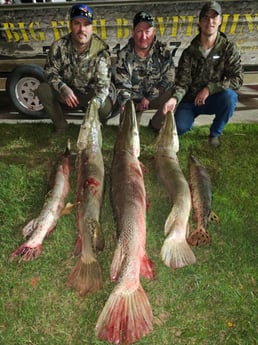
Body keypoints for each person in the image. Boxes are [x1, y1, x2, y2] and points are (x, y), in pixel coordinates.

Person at [163, 1, 243, 147]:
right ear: (200, 22)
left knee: (230, 97)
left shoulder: (228, 49)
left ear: (220, 21)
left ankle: (215, 133)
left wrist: (209, 89)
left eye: (214, 17)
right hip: (190, 101)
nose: (210, 22)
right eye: (206, 17)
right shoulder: (189, 53)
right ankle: (186, 119)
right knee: (179, 128)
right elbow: (183, 83)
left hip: (214, 98)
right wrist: (174, 98)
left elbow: (237, 79)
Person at [37, 3, 112, 133]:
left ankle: (94, 125)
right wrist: (63, 87)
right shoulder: (59, 46)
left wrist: (95, 103)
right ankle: (61, 126)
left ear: (92, 27)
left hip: (90, 96)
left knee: (105, 106)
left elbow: (103, 86)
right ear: (70, 25)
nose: (82, 29)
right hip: (67, 95)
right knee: (43, 90)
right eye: (77, 23)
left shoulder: (101, 52)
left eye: (86, 24)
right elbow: (50, 71)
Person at [115, 11, 175, 130]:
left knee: (173, 97)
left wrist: (148, 97)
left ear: (153, 32)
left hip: (154, 96)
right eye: (139, 31)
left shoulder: (163, 51)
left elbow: (169, 78)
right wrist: (126, 103)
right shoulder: (124, 54)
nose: (144, 37)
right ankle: (131, 119)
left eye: (147, 32)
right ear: (133, 32)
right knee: (128, 131)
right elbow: (122, 84)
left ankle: (155, 125)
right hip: (133, 101)